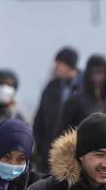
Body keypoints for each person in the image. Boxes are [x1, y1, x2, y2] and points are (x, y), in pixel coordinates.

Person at [33, 47, 80, 175]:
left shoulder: (83, 88)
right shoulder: (50, 88)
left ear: (69, 65)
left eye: (59, 64)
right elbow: (39, 121)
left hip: (74, 154)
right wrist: (40, 148)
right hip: (49, 154)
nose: (55, 67)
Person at [63, 54, 106, 128]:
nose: (97, 77)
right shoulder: (75, 101)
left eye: (100, 73)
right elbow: (62, 131)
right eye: (93, 73)